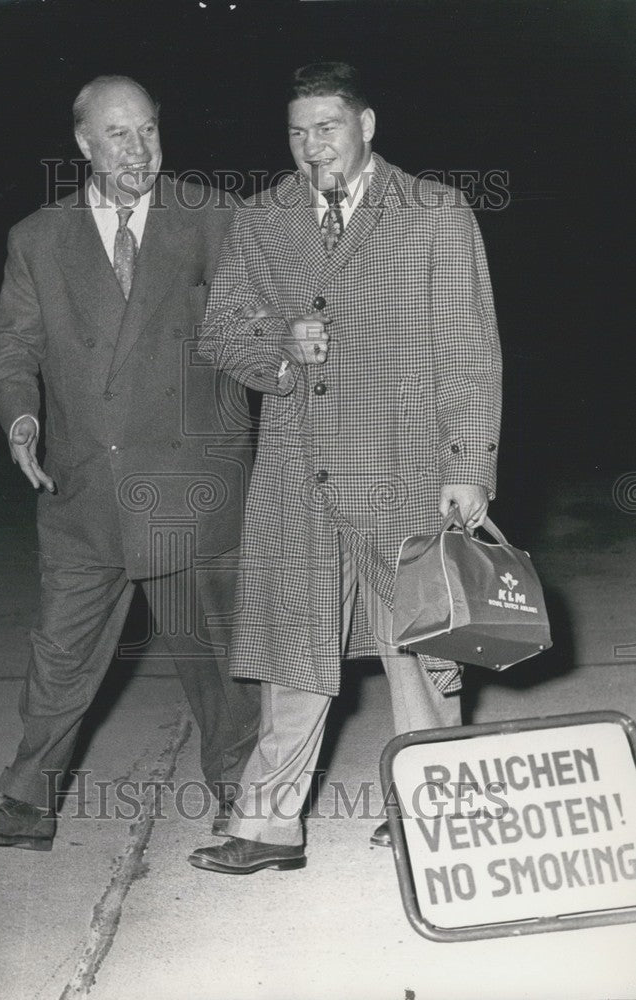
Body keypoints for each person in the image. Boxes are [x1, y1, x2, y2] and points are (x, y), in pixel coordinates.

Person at [189, 62, 502, 874]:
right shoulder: (263, 220)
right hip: (298, 471)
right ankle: (267, 830)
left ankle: (433, 812)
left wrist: (468, 463)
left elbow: (469, 352)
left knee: (418, 650)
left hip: (404, 467)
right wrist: (279, 348)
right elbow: (220, 330)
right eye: (296, 131)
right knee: (292, 650)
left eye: (326, 127)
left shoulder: (434, 212)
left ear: (367, 125)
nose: (310, 145)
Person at [0, 75, 260, 851]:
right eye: (119, 136)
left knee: (216, 659)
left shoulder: (211, 216)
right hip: (83, 485)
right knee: (60, 651)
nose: (140, 150)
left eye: (150, 131)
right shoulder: (36, 239)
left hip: (189, 482)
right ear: (85, 145)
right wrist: (22, 420)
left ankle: (241, 798)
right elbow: (12, 344)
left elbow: (253, 329)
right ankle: (29, 803)